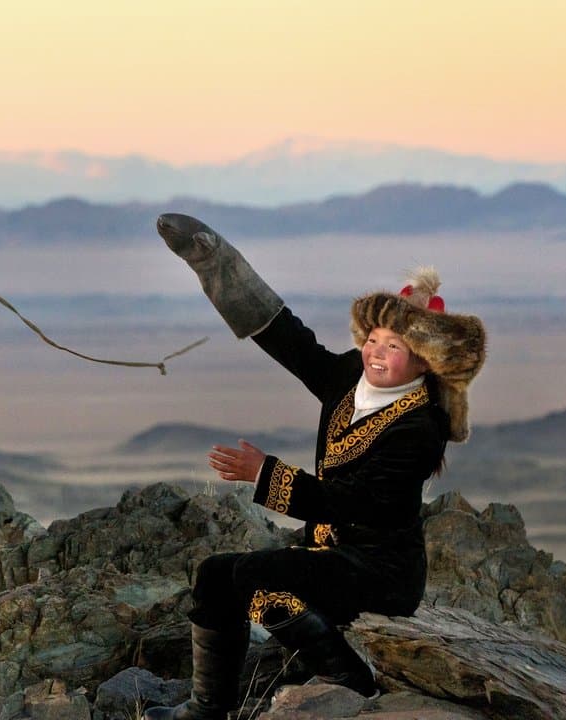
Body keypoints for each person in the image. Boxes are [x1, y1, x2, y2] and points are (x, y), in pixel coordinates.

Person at [143, 213, 486, 720]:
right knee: (217, 575)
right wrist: (215, 262)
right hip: (331, 556)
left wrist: (266, 474)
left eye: (394, 347)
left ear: (424, 362)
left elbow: (355, 502)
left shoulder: (420, 427)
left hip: (379, 574)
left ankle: (347, 676)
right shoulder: (351, 377)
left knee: (256, 579)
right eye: (373, 339)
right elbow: (288, 340)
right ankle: (207, 710)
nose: (375, 352)